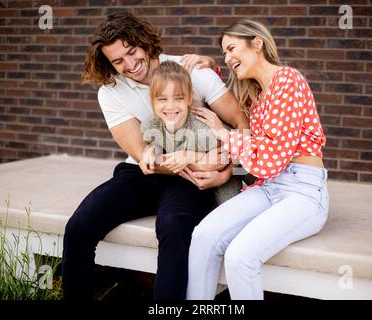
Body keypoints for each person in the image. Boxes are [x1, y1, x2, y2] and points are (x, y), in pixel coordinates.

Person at [61, 11, 249, 300]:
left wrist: (224, 168)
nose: (129, 64)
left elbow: (242, 125)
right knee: (79, 227)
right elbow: (141, 154)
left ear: (144, 43)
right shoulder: (110, 91)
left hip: (188, 180)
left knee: (175, 228)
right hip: (145, 172)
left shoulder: (193, 71)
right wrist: (199, 160)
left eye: (131, 51)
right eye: (117, 61)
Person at [186, 19, 329, 300]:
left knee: (240, 256)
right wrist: (212, 68)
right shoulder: (259, 95)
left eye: (231, 49)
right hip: (268, 187)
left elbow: (270, 159)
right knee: (203, 236)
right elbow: (240, 106)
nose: (228, 59)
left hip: (303, 192)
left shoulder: (289, 80)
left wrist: (222, 133)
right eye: (224, 54)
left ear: (258, 43)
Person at [140, 60, 242, 204]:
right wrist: (151, 151)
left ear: (189, 98)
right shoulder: (151, 125)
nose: (170, 106)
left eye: (179, 98)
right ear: (152, 100)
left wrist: (190, 156)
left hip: (225, 178)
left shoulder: (201, 129)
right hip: (192, 181)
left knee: (230, 208)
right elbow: (156, 141)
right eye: (162, 99)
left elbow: (227, 156)